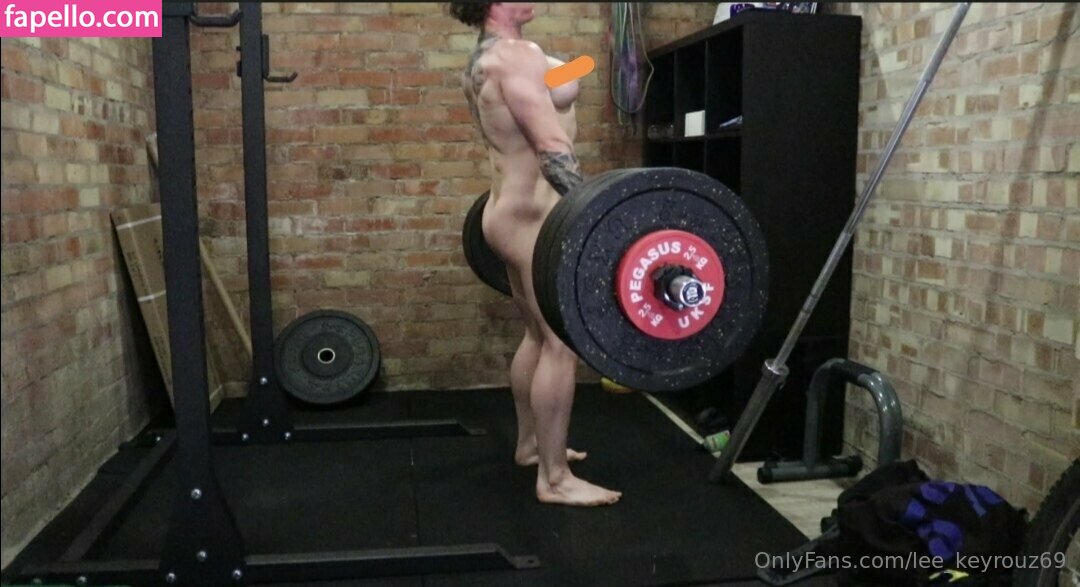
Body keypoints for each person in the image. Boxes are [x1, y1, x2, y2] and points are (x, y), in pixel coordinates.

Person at [448, 1, 621, 507]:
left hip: (505, 211)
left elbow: (556, 84)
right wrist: (595, 216)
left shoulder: (485, 59)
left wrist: (576, 68)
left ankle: (530, 446)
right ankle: (555, 479)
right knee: (560, 344)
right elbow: (551, 146)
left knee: (535, 334)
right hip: (534, 218)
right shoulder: (517, 57)